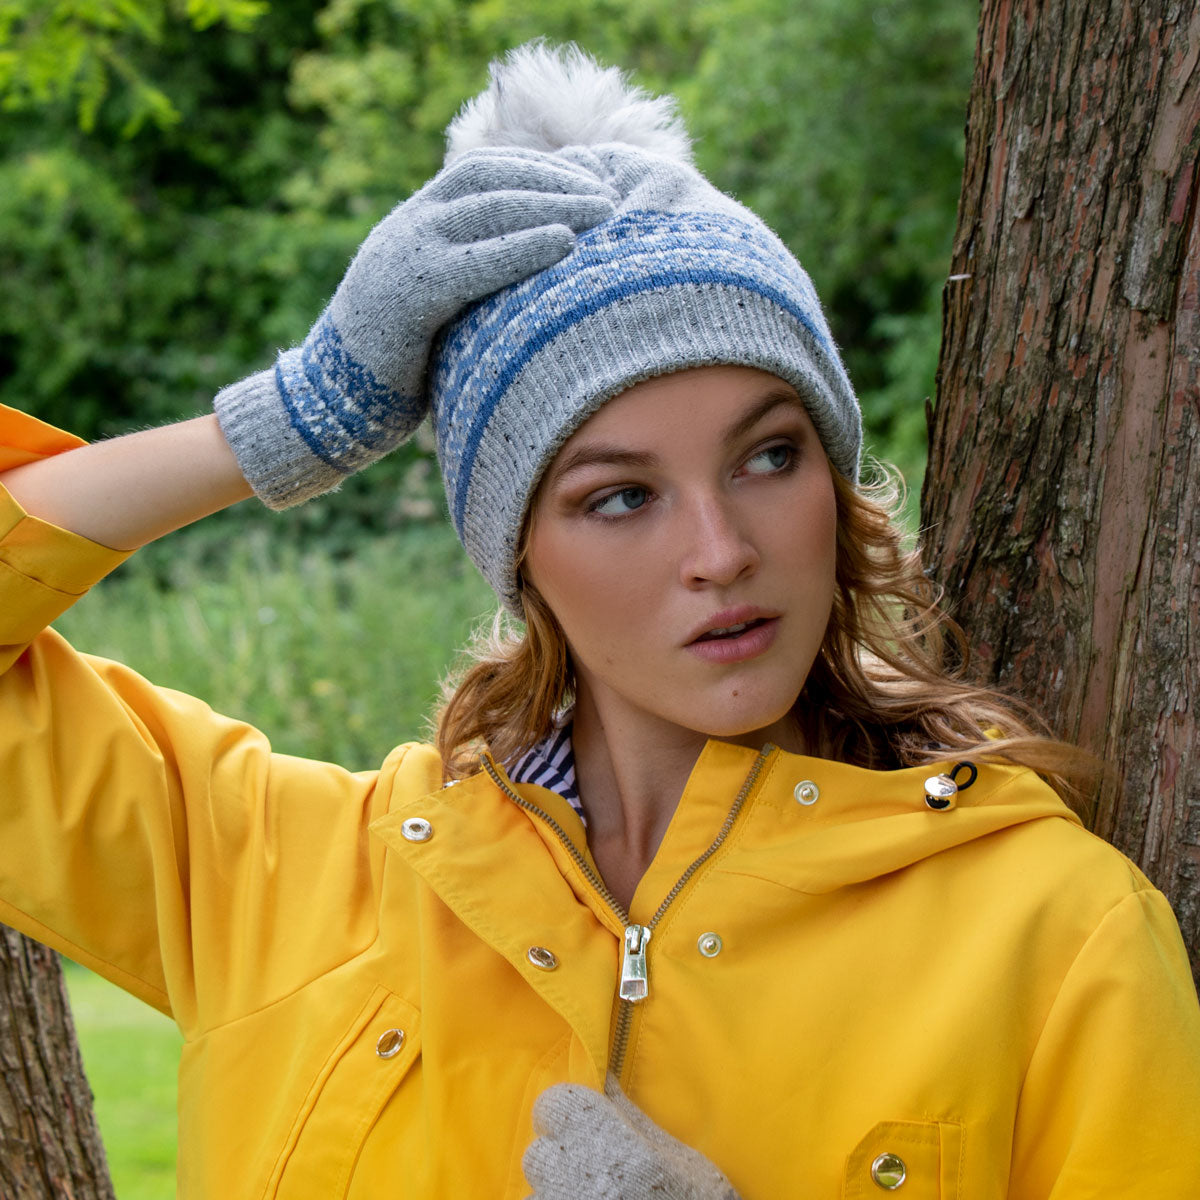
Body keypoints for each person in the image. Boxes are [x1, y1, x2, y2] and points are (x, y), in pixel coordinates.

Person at [1, 41, 1198, 1199]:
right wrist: (288, 422)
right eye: (619, 496)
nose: (722, 552)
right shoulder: (279, 878)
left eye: (770, 457)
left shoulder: (1049, 935)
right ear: (518, 553)